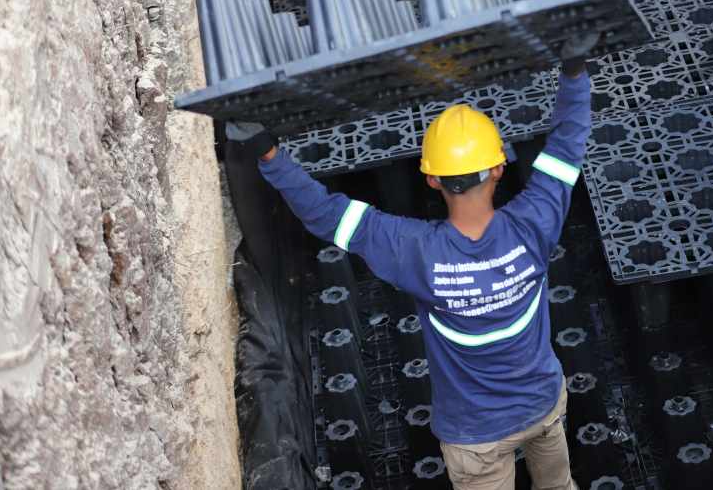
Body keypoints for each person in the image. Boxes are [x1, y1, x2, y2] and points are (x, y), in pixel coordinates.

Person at [227, 34, 598, 490]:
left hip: (474, 437)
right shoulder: (536, 223)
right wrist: (574, 71)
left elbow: (326, 213)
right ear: (499, 167)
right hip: (544, 408)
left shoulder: (415, 251)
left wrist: (267, 151)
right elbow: (567, 143)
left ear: (430, 178)